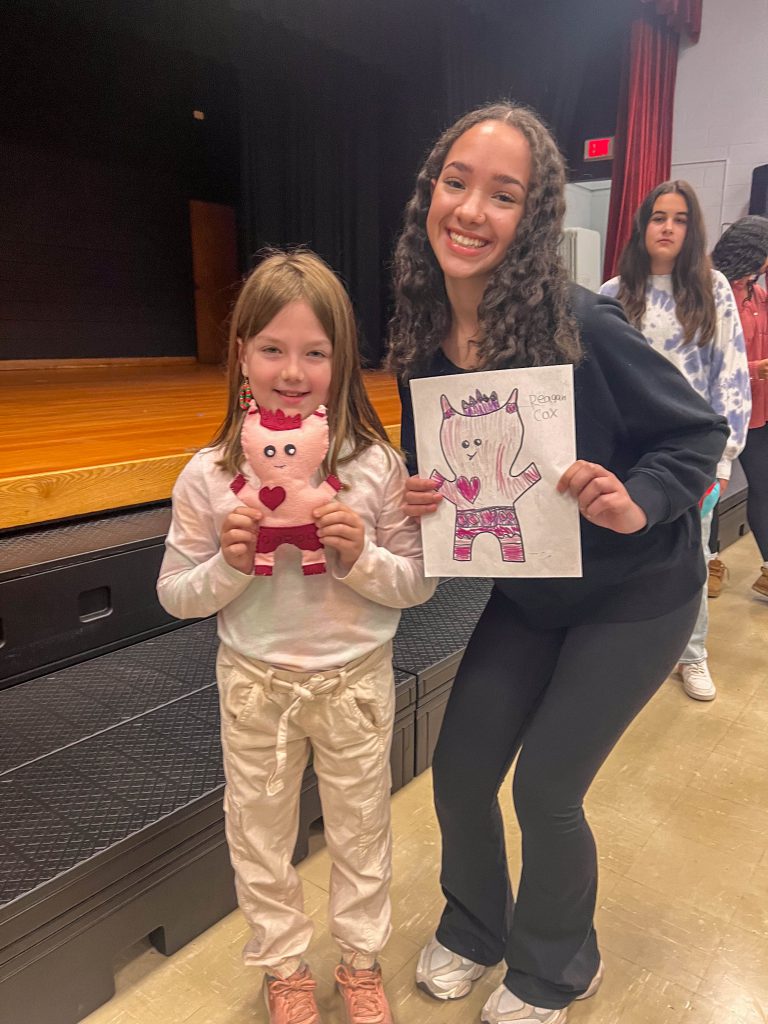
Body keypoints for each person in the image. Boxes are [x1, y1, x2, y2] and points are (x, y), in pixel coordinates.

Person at [387, 102, 727, 1024]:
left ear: (531, 221)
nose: (470, 209)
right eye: (457, 182)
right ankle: (474, 927)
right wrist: (425, 499)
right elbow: (452, 479)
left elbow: (697, 435)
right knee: (458, 771)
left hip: (637, 593)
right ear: (431, 195)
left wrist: (638, 497)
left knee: (545, 785)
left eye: (504, 195)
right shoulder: (423, 349)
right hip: (533, 593)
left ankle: (556, 968)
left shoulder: (583, 325)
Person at [157, 250, 436, 1024]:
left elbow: (417, 585)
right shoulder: (208, 477)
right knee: (258, 837)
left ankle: (359, 960)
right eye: (273, 348)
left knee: (362, 830)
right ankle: (283, 967)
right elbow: (176, 595)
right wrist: (229, 565)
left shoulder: (376, 468)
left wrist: (360, 557)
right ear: (240, 355)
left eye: (316, 352)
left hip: (356, 684)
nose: (293, 369)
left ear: (343, 363)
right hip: (255, 687)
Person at [600, 180, 749, 701]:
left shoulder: (713, 289)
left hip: (690, 458)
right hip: (625, 455)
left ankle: (692, 654)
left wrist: (723, 460)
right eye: (658, 217)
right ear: (642, 227)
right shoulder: (613, 295)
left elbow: (730, 375)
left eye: (680, 218)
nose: (667, 227)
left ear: (692, 229)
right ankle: (620, 654)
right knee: (620, 557)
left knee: (690, 557)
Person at [712, 215, 768, 599]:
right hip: (720, 410)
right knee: (711, 490)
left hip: (760, 412)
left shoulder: (759, 295)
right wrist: (755, 369)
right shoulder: (712, 292)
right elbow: (709, 357)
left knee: (765, 487)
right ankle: (711, 560)